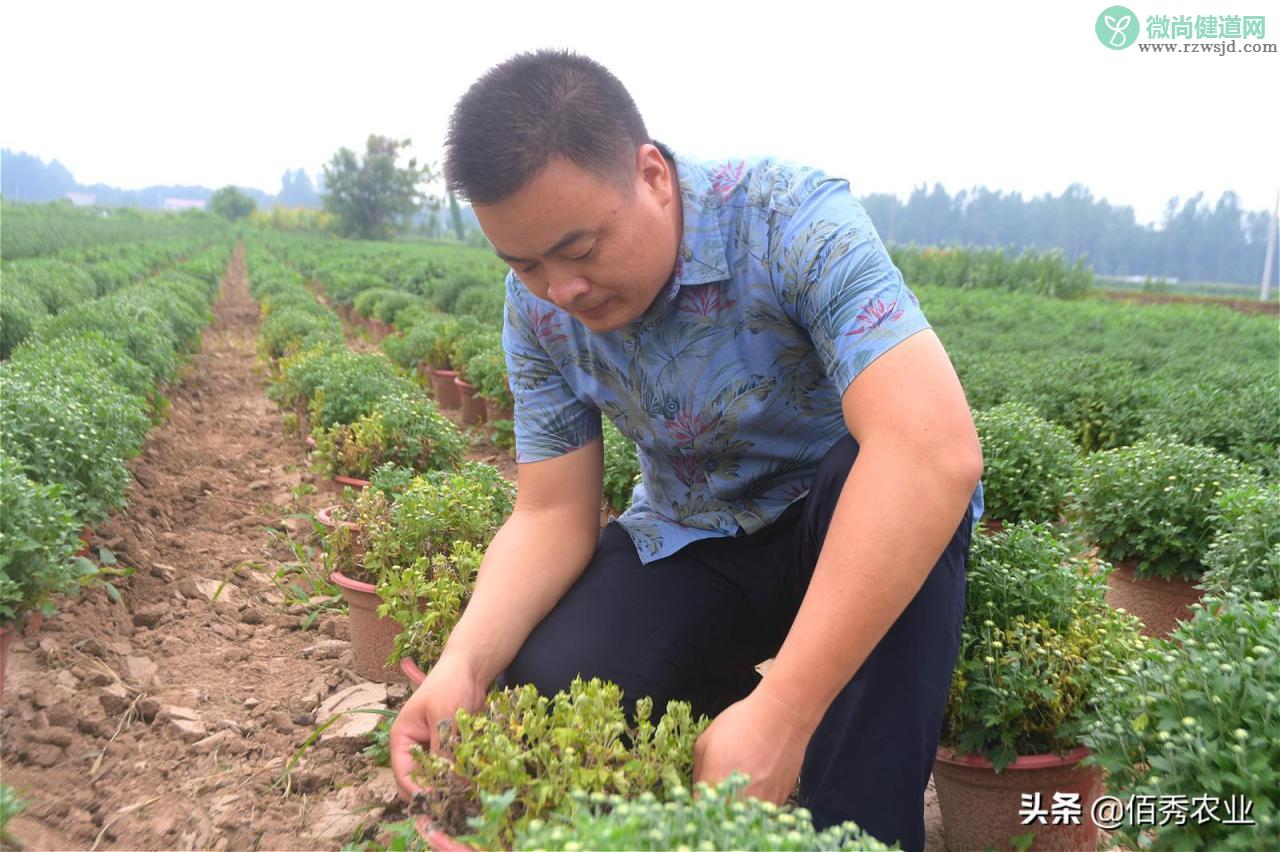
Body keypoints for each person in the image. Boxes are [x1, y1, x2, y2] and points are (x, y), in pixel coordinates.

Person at [390, 49, 985, 851]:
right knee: (557, 688)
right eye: (526, 264)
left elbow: (931, 451)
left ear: (652, 177)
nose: (562, 289)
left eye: (580, 249)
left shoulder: (791, 220)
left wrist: (786, 711)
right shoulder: (537, 310)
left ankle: (854, 825)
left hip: (842, 528)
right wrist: (463, 662)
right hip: (697, 532)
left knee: (873, 477)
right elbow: (551, 511)